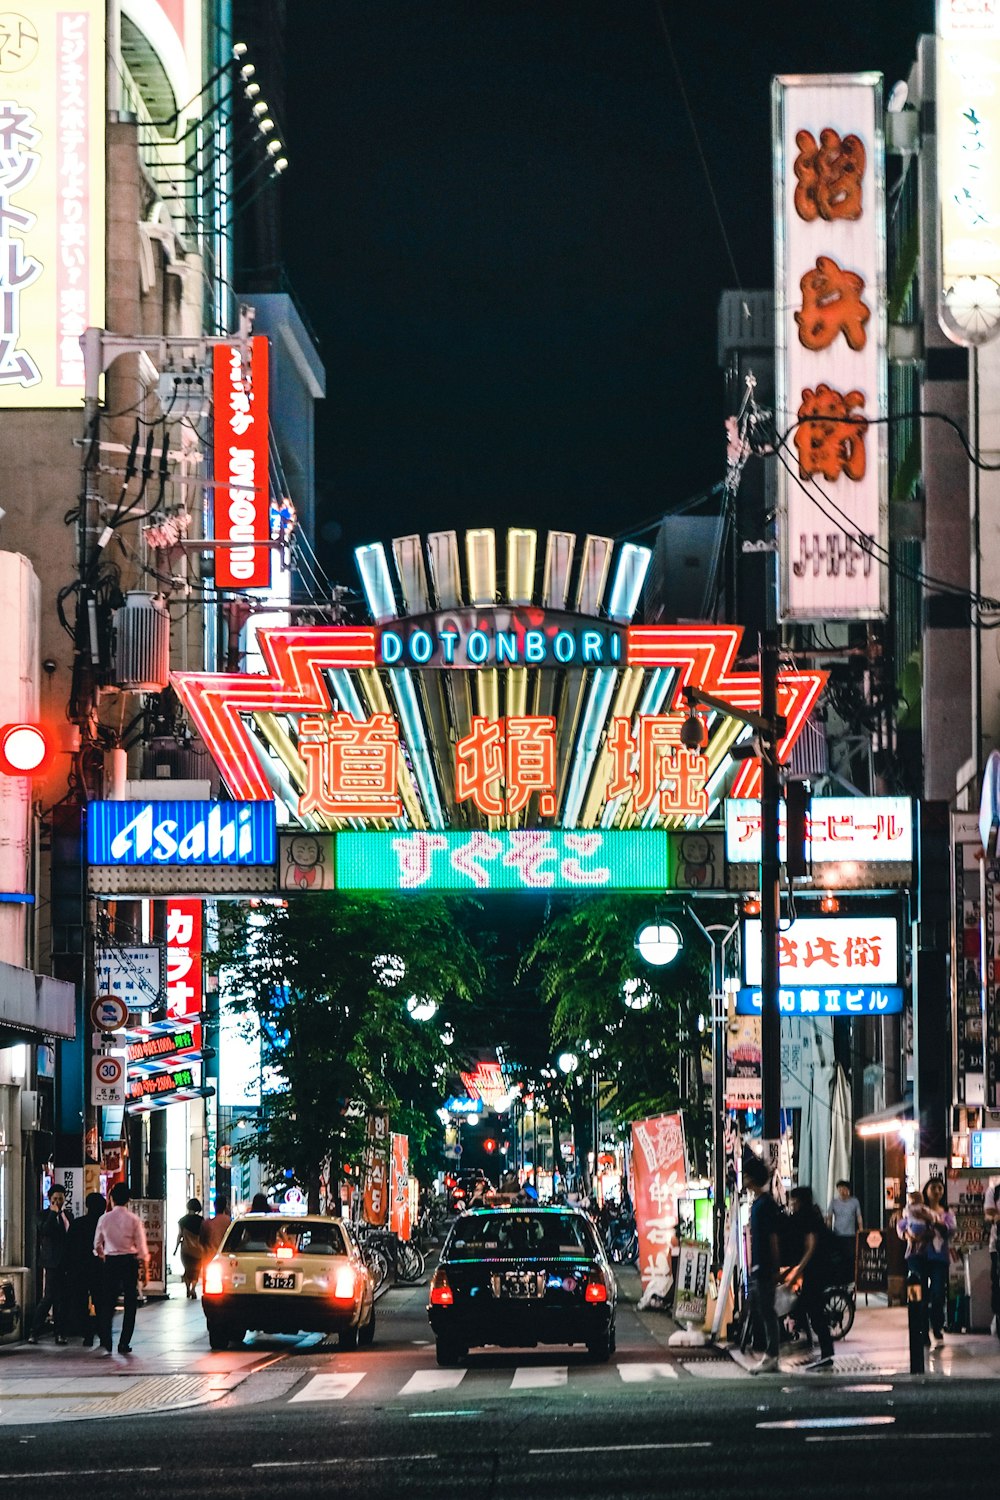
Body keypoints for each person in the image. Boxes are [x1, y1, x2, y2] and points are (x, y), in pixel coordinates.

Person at [94, 1182, 149, 1355]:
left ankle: (107, 1341)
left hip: (111, 1262)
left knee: (107, 1302)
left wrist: (104, 1255)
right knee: (130, 1303)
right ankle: (124, 1343)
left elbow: (96, 1245)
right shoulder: (134, 1220)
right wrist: (145, 1270)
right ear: (128, 1200)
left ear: (111, 1198)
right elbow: (142, 1248)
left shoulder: (104, 1219)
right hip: (128, 1262)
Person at [785, 1185, 836, 1370]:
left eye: (794, 1200)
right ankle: (823, 1351)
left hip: (816, 1270)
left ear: (800, 1201)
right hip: (817, 1270)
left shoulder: (809, 1218)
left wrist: (798, 1270)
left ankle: (827, 1353)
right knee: (811, 1309)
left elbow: (811, 1246)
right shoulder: (812, 1215)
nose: (792, 1204)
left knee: (813, 1310)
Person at [744, 1152, 783, 1374]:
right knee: (763, 1309)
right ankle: (770, 1354)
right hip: (760, 1266)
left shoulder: (766, 1204)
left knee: (767, 1310)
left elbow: (772, 1238)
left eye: (747, 1176)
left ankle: (772, 1355)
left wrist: (775, 1267)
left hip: (765, 1267)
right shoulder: (760, 1203)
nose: (745, 1180)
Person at [28, 1183, 72, 1345]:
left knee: (62, 1299)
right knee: (49, 1298)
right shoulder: (42, 1215)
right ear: (49, 1199)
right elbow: (45, 1231)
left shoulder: (68, 1215)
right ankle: (34, 1330)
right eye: (55, 1199)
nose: (58, 1202)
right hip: (52, 1262)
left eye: (61, 1198)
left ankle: (60, 1333)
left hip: (66, 1264)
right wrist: (53, 1214)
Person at [65, 1192, 106, 1345]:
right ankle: (102, 1334)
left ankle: (87, 1334)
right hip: (99, 1269)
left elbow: (68, 1248)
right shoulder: (104, 1225)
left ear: (87, 1206)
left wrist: (68, 1269)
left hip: (79, 1270)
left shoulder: (77, 1224)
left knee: (80, 1303)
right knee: (101, 1303)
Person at [896, 1189, 934, 1345]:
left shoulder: (928, 1214)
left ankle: (923, 1332)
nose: (915, 1204)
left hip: (926, 1256)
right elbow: (901, 1229)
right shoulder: (906, 1214)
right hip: (913, 1256)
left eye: (918, 1200)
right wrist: (909, 1236)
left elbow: (935, 1229)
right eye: (913, 1200)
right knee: (916, 1294)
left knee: (923, 1295)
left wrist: (923, 1232)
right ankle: (919, 1331)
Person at [922, 1178, 956, 1348]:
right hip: (920, 1257)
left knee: (937, 1293)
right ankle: (922, 1331)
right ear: (926, 1190)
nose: (937, 1191)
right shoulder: (917, 1210)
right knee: (920, 1296)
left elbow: (951, 1231)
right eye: (933, 1187)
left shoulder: (947, 1211)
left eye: (940, 1188)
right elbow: (905, 1224)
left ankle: (936, 1327)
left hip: (939, 1258)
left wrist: (935, 1221)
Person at [826, 1179, 863, 1284]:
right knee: (839, 1258)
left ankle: (850, 1278)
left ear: (848, 1190)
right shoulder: (834, 1202)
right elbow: (829, 1217)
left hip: (850, 1234)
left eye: (845, 1189)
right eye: (840, 1189)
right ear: (837, 1190)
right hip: (837, 1234)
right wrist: (828, 1231)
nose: (842, 1191)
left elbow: (859, 1216)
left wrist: (861, 1231)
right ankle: (839, 1279)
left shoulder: (854, 1201)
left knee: (851, 1257)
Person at [173, 1198, 205, 1300]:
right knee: (196, 1270)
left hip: (185, 1249)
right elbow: (203, 1236)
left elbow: (180, 1235)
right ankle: (193, 1289)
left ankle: (187, 1289)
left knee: (187, 1269)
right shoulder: (201, 1221)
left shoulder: (182, 1220)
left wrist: (175, 1249)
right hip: (198, 1250)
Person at [985, 1176, 1000, 1341]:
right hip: (998, 1246)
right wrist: (995, 1218)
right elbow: (989, 1213)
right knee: (997, 1283)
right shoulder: (995, 1190)